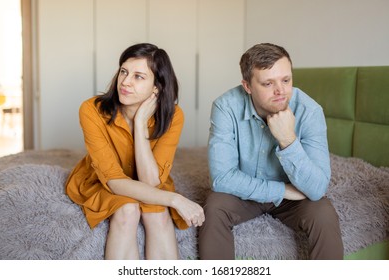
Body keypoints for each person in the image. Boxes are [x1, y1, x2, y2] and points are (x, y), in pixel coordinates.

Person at [198, 43, 344, 260]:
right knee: (215, 206)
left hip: (295, 198)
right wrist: (281, 190)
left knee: (323, 211)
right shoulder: (225, 107)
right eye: (268, 83)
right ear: (247, 86)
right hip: (247, 192)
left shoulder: (310, 111)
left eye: (286, 80)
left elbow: (317, 188)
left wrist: (288, 140)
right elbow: (221, 178)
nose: (281, 91)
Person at [66, 43, 204, 260]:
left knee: (157, 214)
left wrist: (140, 124)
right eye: (123, 71)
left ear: (156, 87)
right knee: (127, 209)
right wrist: (175, 200)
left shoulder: (174, 115)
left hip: (148, 179)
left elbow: (151, 182)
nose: (125, 82)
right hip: (101, 182)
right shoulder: (91, 109)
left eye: (139, 76)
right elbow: (113, 180)